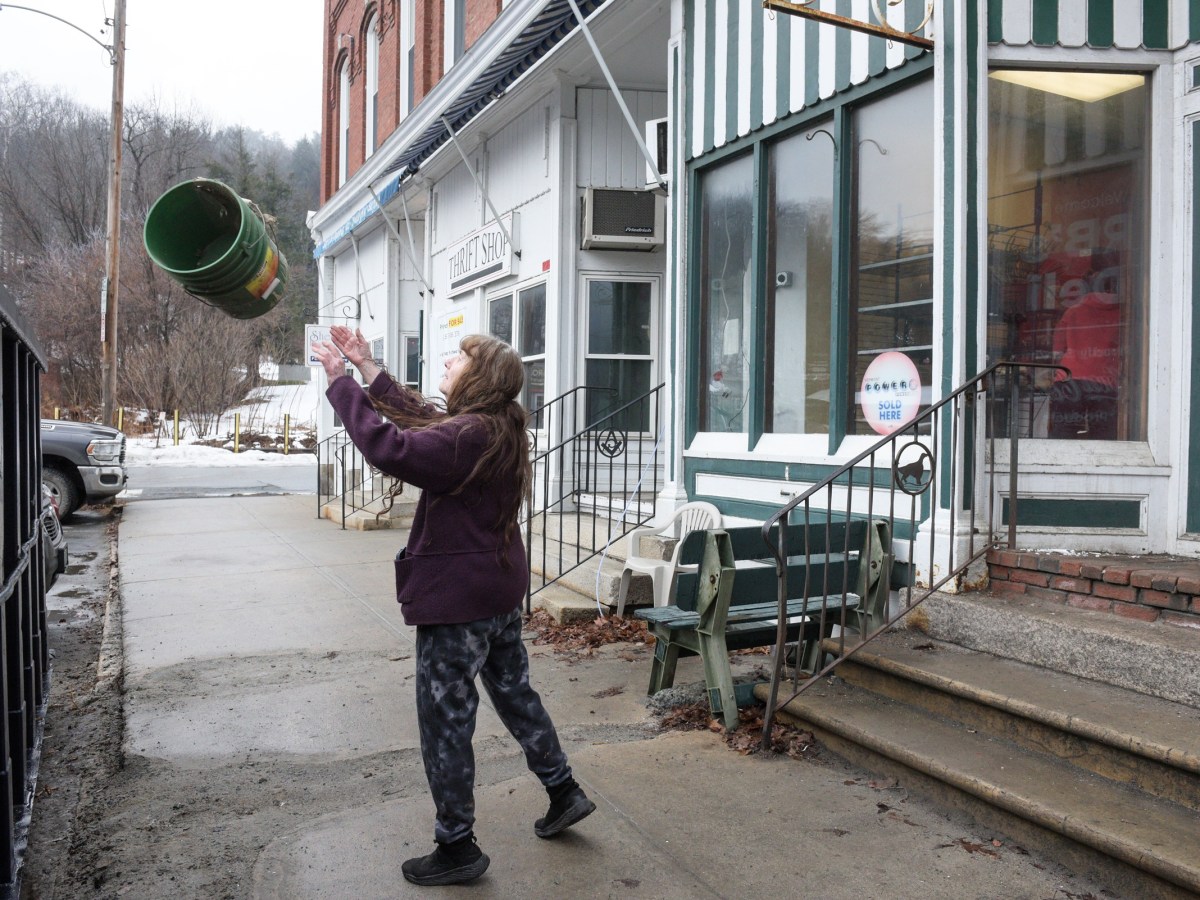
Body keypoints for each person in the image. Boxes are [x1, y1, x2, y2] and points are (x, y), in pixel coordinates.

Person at [311, 325, 595, 887]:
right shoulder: (499, 426)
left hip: (459, 605)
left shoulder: (468, 434)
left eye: (458, 360)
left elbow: (393, 447)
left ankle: (457, 845)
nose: (446, 363)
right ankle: (563, 790)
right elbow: (426, 419)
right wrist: (370, 370)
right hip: (497, 592)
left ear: (480, 377)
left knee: (446, 721)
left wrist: (341, 384)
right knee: (515, 695)